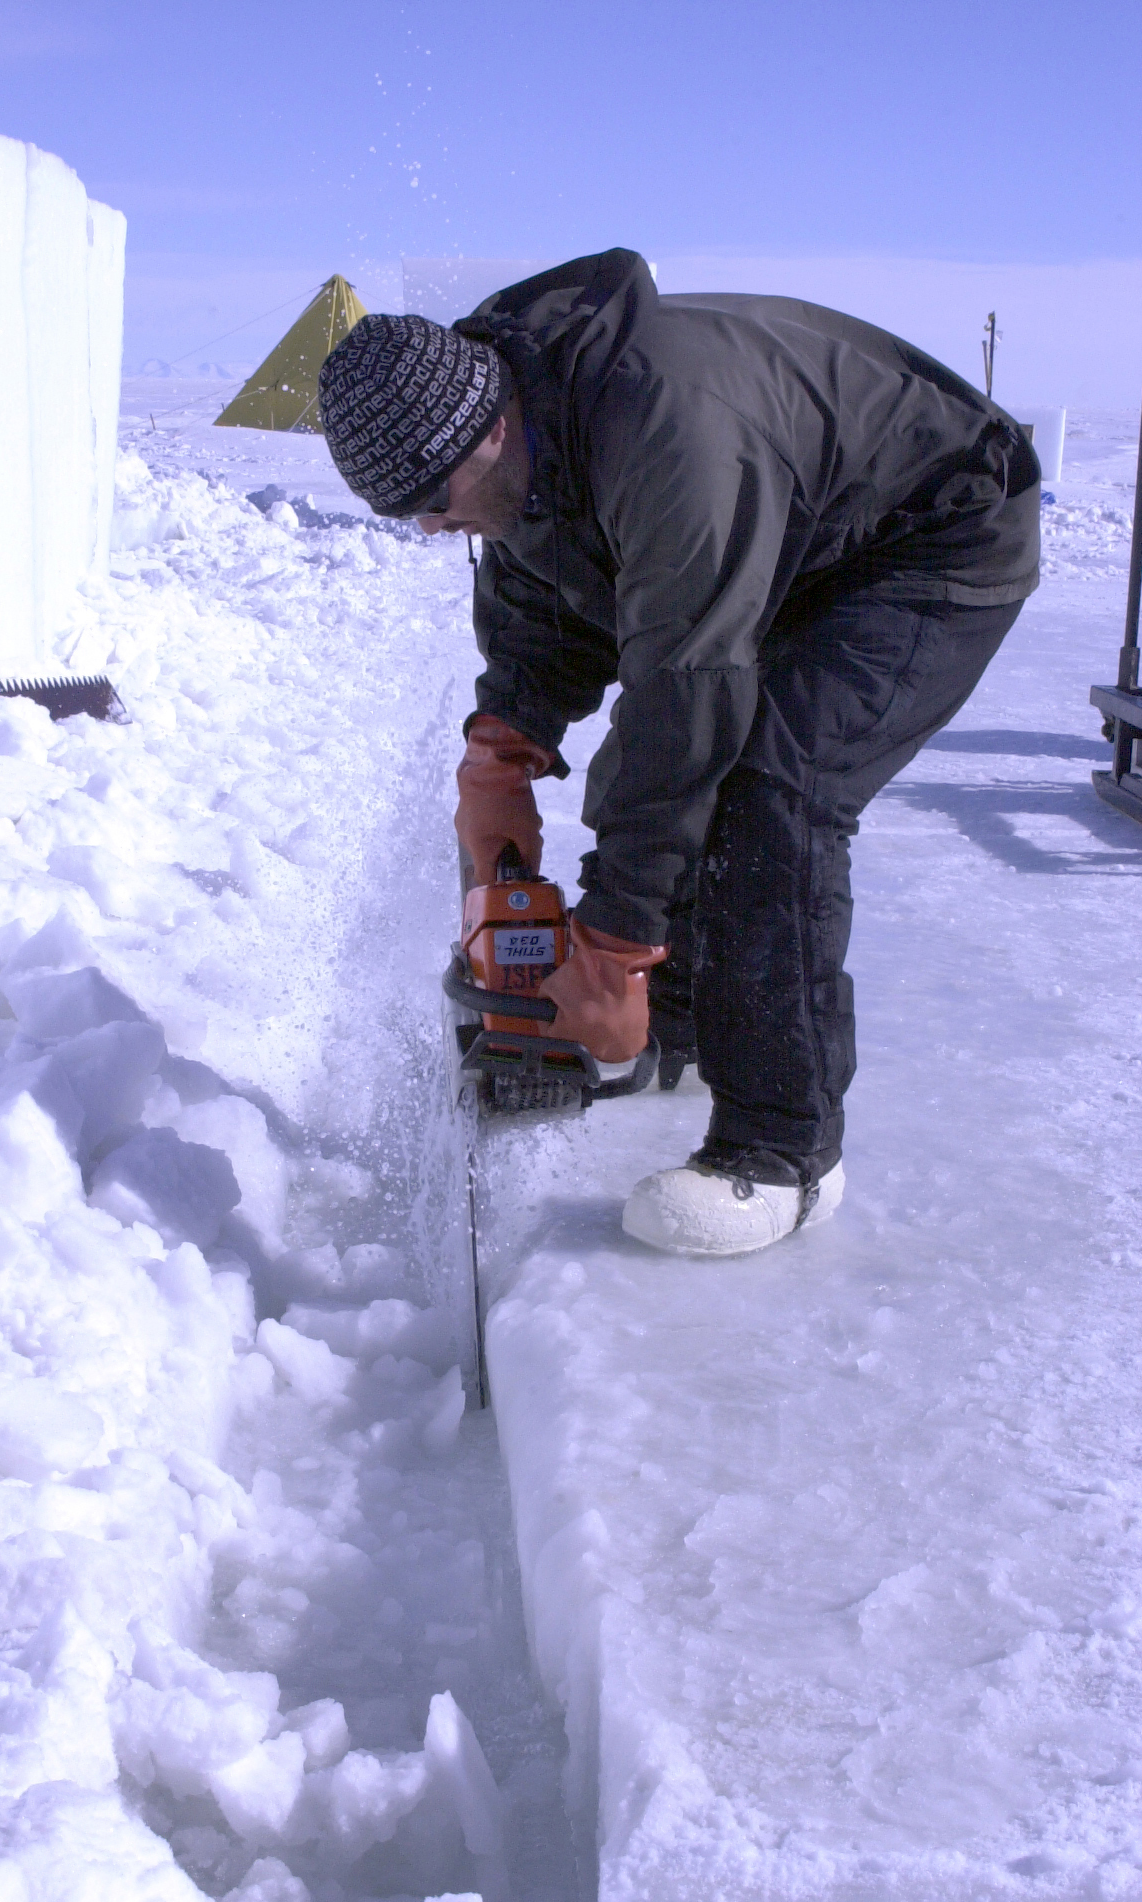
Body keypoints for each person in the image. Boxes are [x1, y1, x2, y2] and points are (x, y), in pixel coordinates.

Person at [316, 251, 1039, 1257]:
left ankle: (782, 1155)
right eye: (410, 516)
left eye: (436, 500)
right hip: (798, 534)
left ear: (488, 429)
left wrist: (611, 942)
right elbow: (545, 581)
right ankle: (683, 1026)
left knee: (770, 790)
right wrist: (503, 745)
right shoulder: (527, 425)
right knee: (695, 771)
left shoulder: (667, 434)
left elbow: (683, 699)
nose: (435, 529)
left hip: (934, 526)